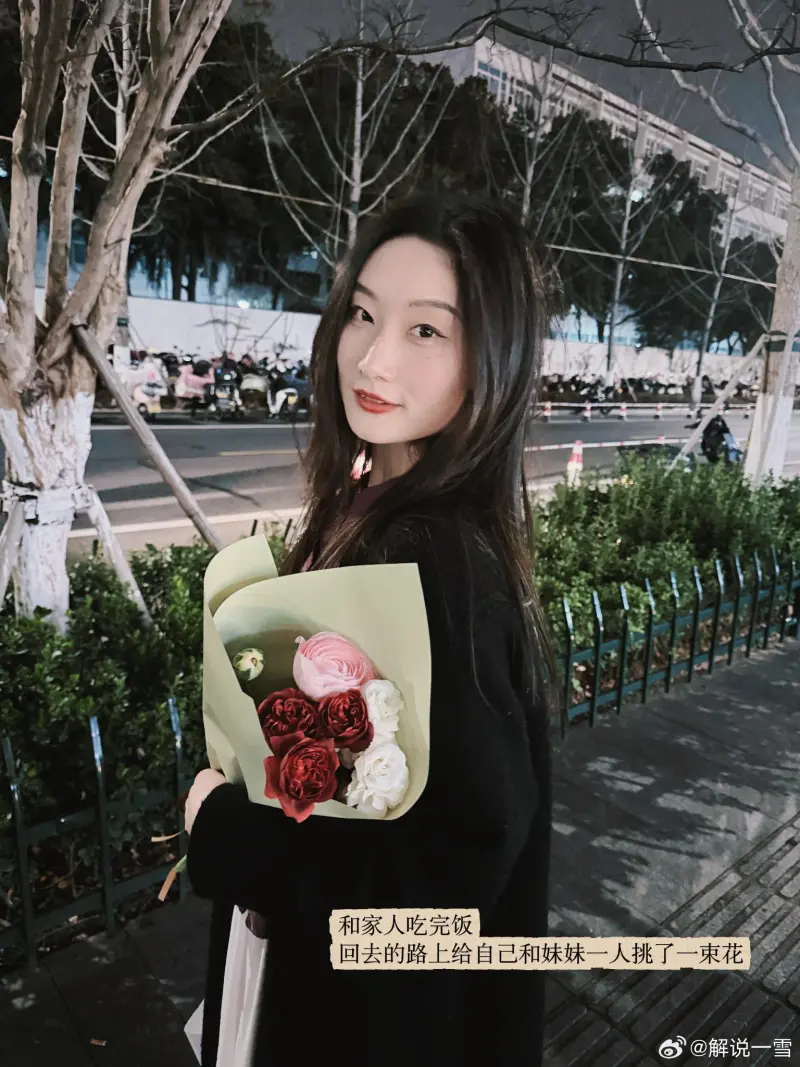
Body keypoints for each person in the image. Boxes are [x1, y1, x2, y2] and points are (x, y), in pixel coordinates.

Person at [183, 191, 558, 1067]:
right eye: (362, 314)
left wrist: (228, 832)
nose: (374, 357)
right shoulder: (374, 502)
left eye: (426, 330)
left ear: (491, 361)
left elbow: (448, 878)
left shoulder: (439, 562)